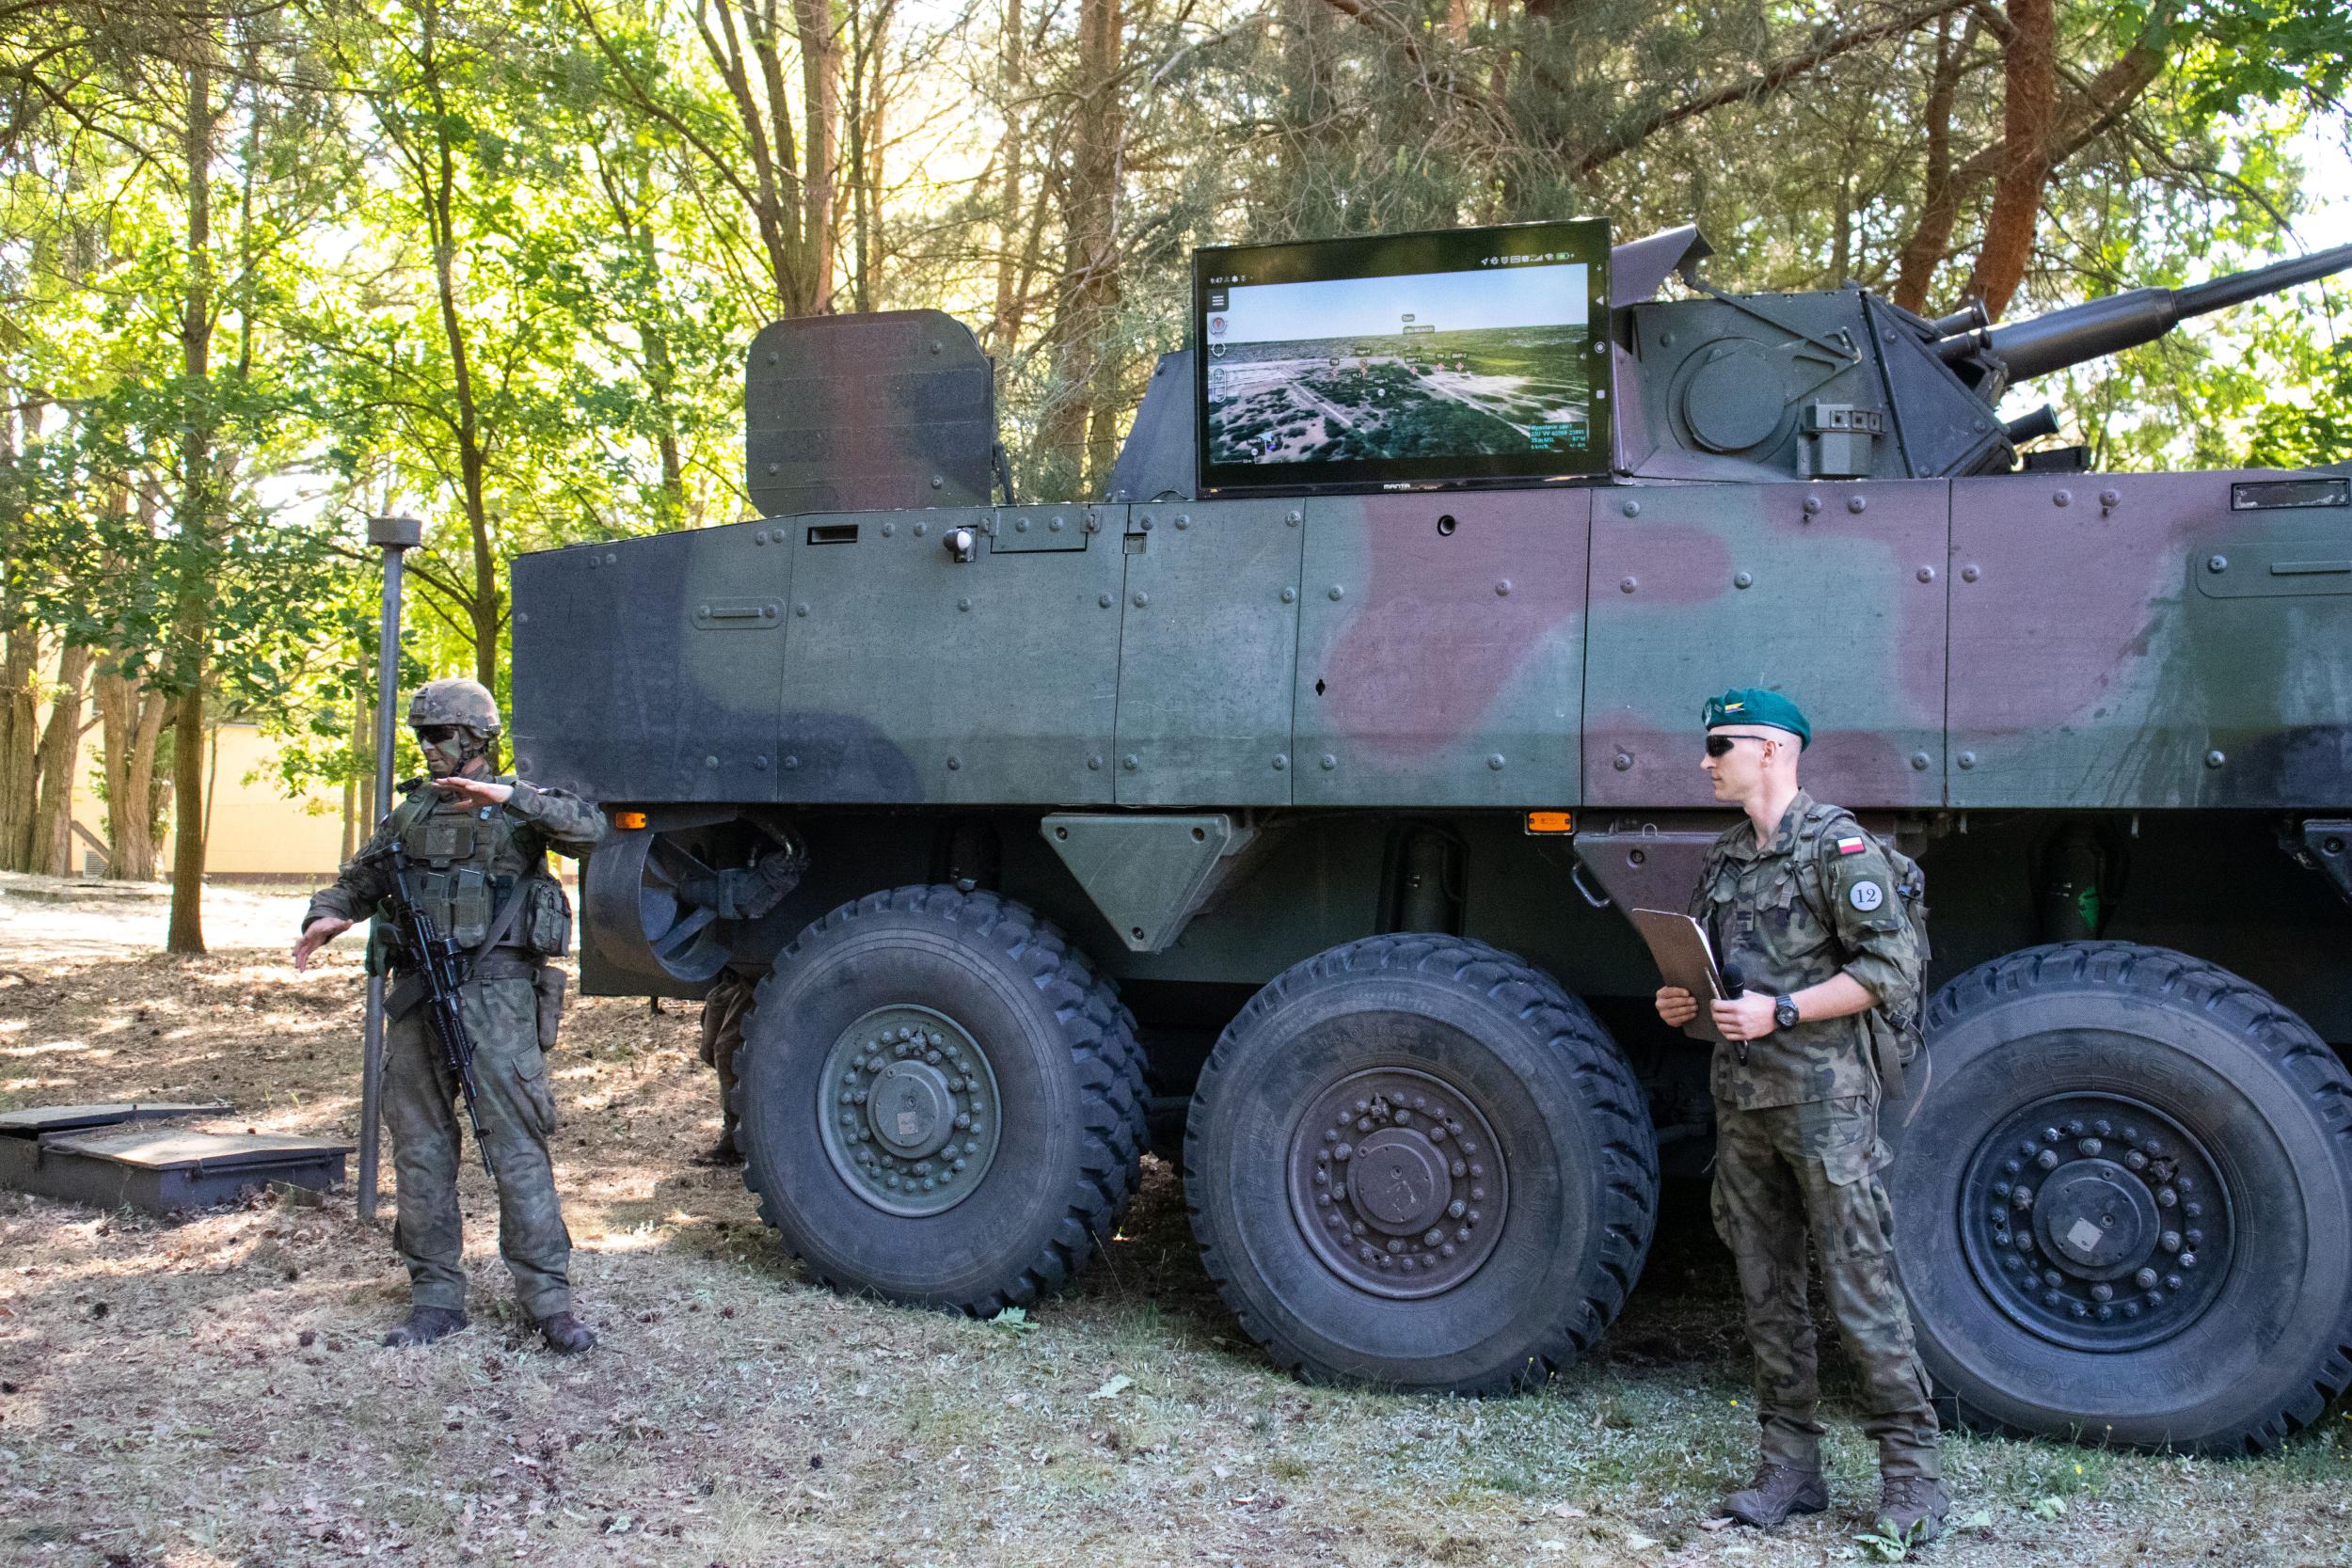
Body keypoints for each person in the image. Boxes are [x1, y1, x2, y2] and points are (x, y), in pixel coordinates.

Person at [1653, 688, 1947, 1544]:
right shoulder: (1727, 857)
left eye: (1720, 743)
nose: (1707, 759)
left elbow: (1888, 968)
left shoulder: (1839, 845)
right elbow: (1720, 983)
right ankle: (1791, 1469)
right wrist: (1686, 1003)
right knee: (1765, 1290)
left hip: (1826, 1106)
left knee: (1860, 1291)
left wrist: (1783, 1011)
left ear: (1774, 748)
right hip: (1744, 1103)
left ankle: (1914, 1479)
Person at [294, 677, 609, 1354]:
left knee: (517, 1145)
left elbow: (592, 831)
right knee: (421, 1148)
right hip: (418, 998)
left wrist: (507, 795)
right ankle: (436, 1296)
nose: (427, 748)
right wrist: (328, 912)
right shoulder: (410, 814)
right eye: (421, 736)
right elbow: (360, 877)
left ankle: (548, 1300)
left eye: (437, 735)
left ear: (474, 739)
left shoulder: (518, 809)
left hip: (497, 998)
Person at [695, 970, 756, 1165]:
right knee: (710, 1050)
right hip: (737, 975)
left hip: (755, 976)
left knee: (727, 1052)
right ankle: (738, 1129)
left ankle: (736, 1136)